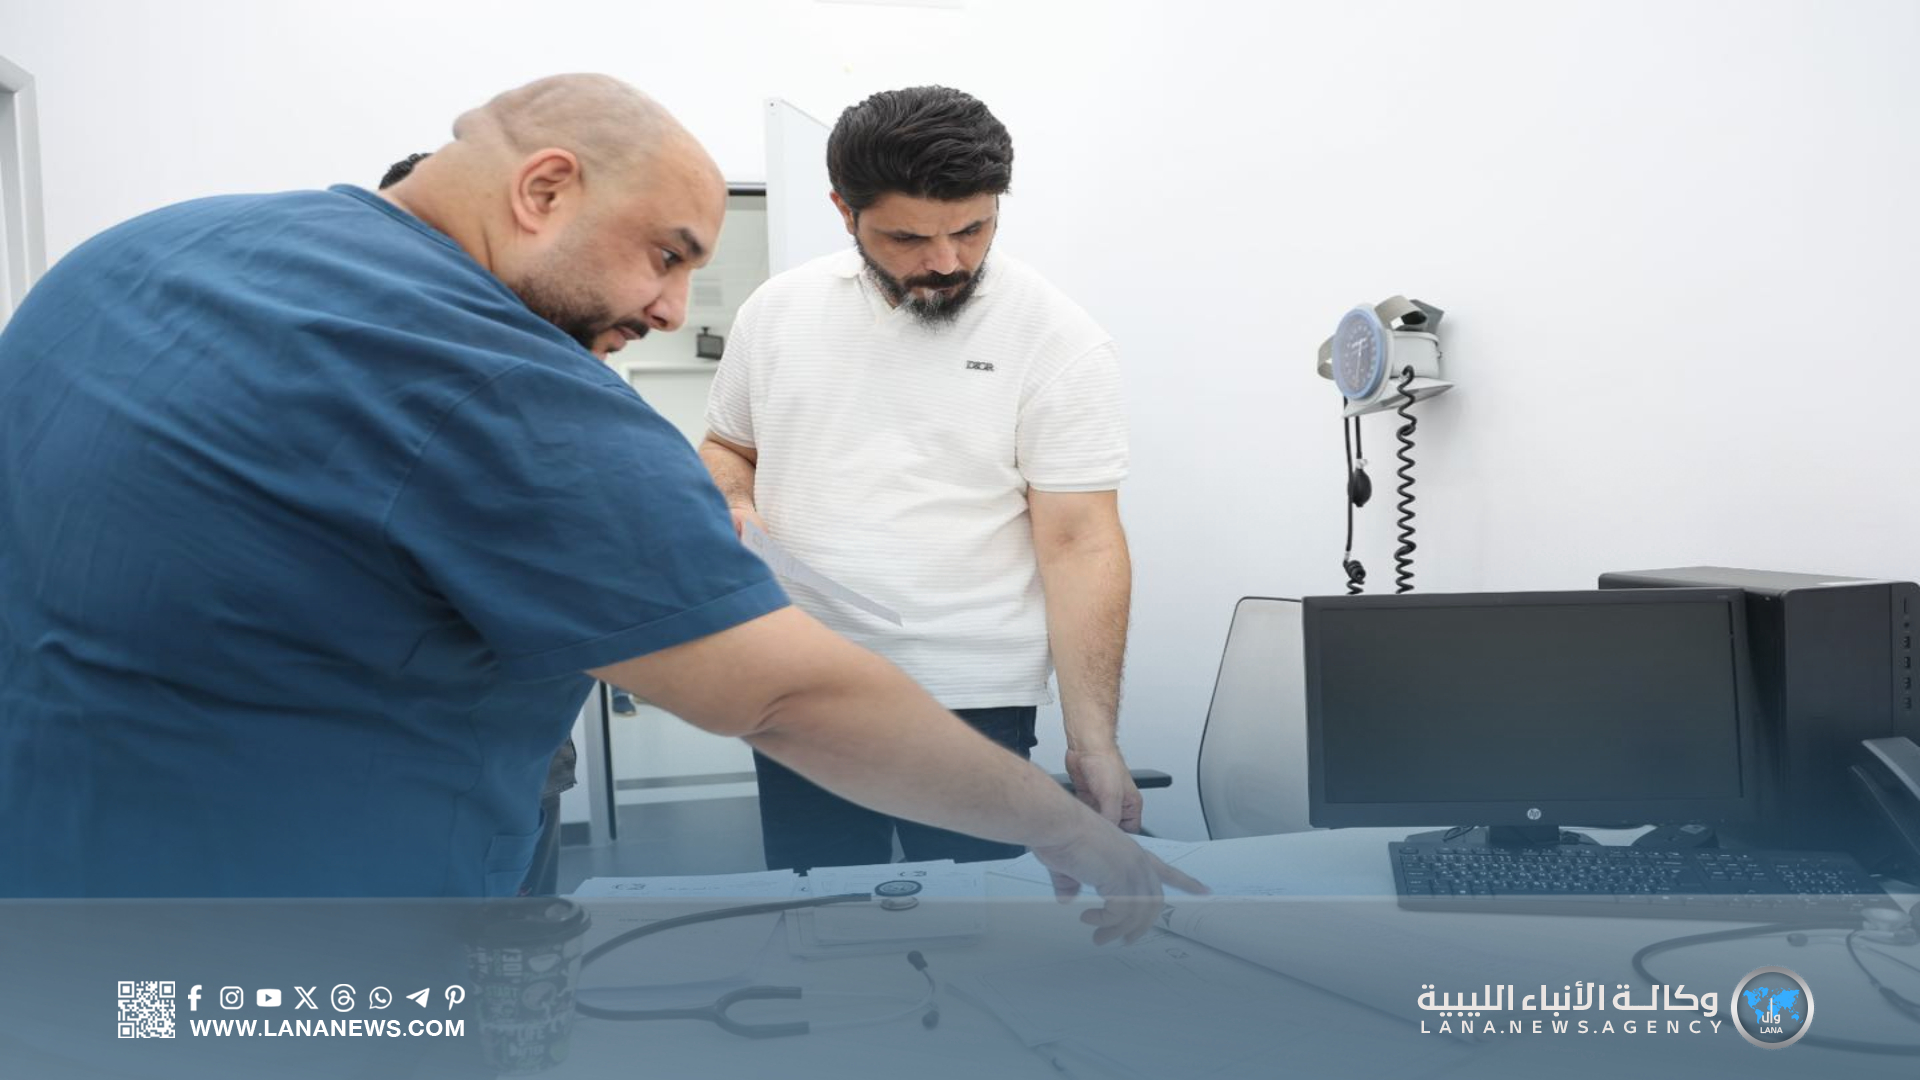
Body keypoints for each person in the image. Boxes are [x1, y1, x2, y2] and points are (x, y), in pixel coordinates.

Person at [0, 74, 1198, 941]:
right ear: (544, 189)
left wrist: (1082, 745)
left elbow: (1079, 534)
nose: (674, 309)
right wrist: (1066, 828)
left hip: (58, 893)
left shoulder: (133, 255)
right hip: (322, 936)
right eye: (667, 255)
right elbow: (785, 693)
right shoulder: (509, 386)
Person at [702, 86, 1142, 873]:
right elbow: (728, 446)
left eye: (972, 229)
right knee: (825, 919)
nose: (946, 261)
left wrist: (1095, 743)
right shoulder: (775, 312)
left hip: (972, 695)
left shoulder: (1058, 338)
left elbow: (1080, 543)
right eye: (908, 237)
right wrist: (733, 500)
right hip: (801, 678)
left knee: (982, 928)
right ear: (844, 212)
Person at [379, 148, 572, 898]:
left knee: (522, 937)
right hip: (399, 760)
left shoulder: (539, 369)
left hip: (519, 754)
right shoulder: (363, 379)